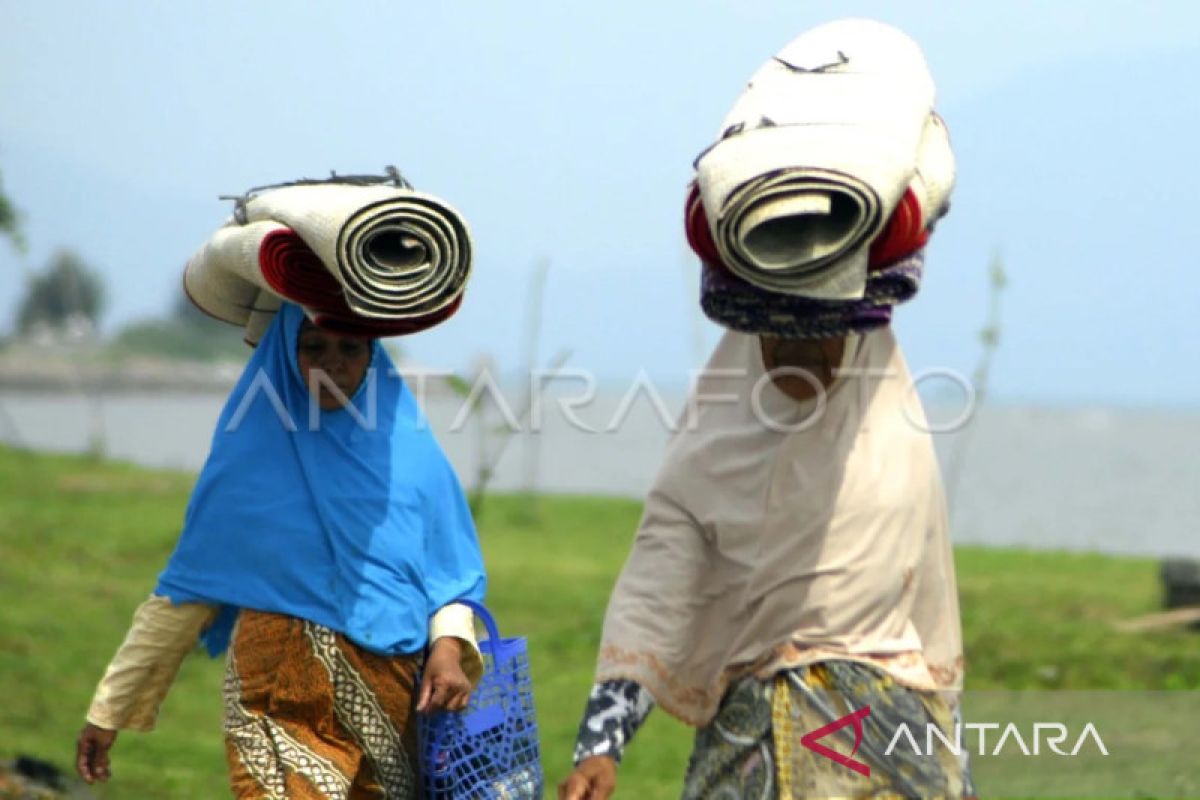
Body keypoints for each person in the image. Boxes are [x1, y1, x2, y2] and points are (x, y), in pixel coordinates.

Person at [75, 302, 487, 799]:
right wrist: (109, 711)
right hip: (273, 695)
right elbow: (186, 594)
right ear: (283, 357)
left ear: (373, 356)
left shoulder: (413, 458)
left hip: (392, 705)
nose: (333, 364)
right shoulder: (248, 462)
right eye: (313, 348)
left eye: (350, 349)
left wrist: (448, 651)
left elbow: (452, 582)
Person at [558, 326, 974, 798]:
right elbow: (654, 596)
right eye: (778, 324)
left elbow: (929, 626)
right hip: (748, 751)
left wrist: (959, 772)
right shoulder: (708, 455)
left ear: (860, 338)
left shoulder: (897, 454)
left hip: (883, 753)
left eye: (824, 326)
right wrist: (601, 745)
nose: (800, 341)